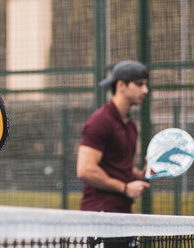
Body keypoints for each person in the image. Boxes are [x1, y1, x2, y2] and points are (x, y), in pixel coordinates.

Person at [76, 60, 151, 248]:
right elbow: (86, 169)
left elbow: (118, 164)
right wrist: (125, 188)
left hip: (123, 216)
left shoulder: (130, 125)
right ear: (121, 85)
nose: (145, 90)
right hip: (101, 217)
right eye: (140, 84)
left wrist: (139, 174)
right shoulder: (100, 121)